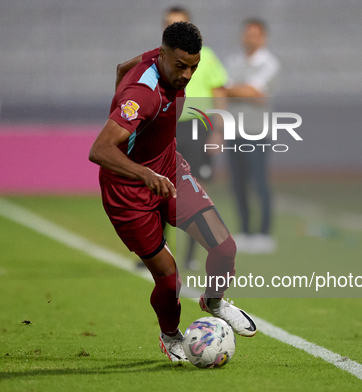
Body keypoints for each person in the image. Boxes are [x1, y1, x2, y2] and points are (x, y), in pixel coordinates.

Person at [90, 22, 256, 363]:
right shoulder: (142, 95)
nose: (187, 74)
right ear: (163, 55)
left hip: (169, 171)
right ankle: (170, 335)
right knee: (169, 280)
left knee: (225, 249)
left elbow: (122, 67)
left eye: (193, 66)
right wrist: (141, 169)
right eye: (181, 66)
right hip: (128, 192)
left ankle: (213, 301)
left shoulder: (160, 59)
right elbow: (100, 150)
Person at [162, 6, 228, 271]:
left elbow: (219, 91)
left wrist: (218, 130)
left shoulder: (207, 57)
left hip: (196, 128)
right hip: (168, 127)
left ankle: (190, 256)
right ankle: (158, 253)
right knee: (162, 186)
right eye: (168, 24)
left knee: (195, 189)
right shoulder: (160, 57)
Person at [222, 19, 280, 254]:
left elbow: (256, 92)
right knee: (237, 184)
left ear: (263, 37)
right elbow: (221, 89)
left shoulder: (270, 63)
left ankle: (264, 234)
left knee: (259, 183)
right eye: (247, 34)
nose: (250, 38)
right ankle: (245, 231)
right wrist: (239, 90)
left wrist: (233, 89)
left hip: (257, 132)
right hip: (233, 130)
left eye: (255, 35)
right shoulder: (233, 61)